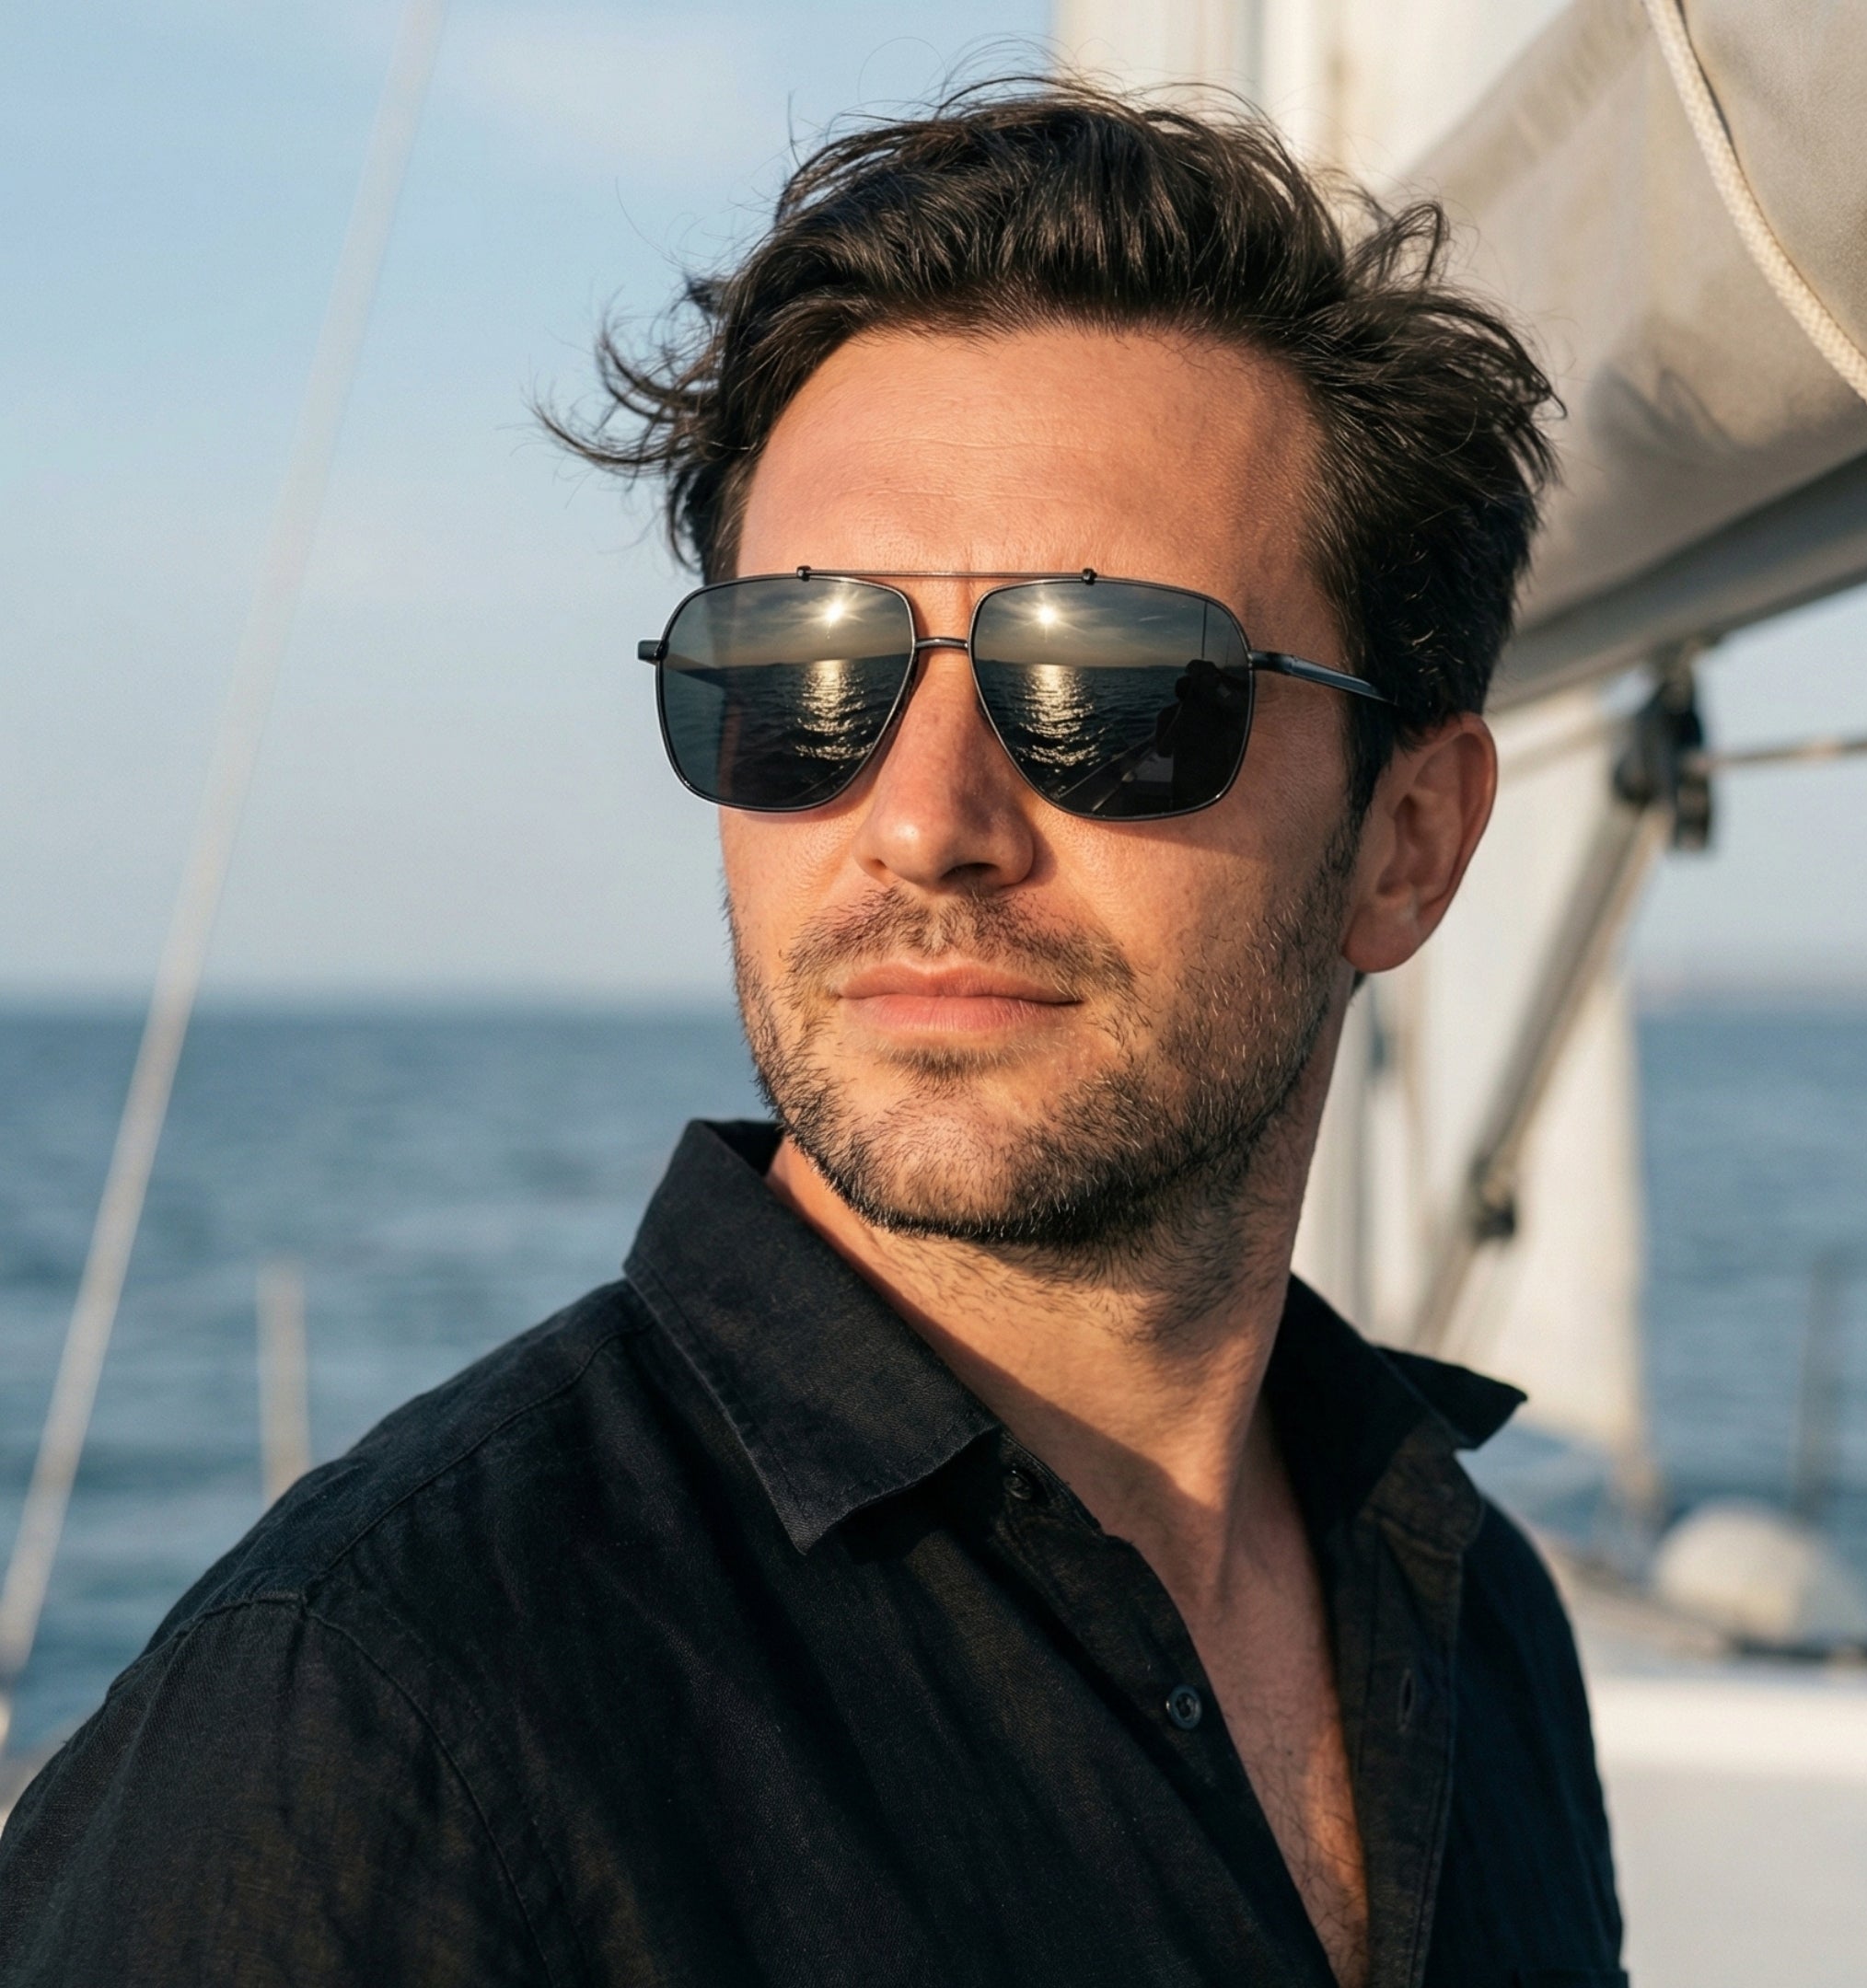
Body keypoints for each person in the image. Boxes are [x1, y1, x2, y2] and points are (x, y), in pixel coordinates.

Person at [0, 84, 1623, 1988]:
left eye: (1106, 688)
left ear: (1408, 842)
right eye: (803, 677)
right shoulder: (372, 1725)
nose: (924, 820)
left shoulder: (1468, 1606)